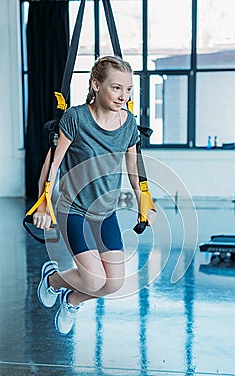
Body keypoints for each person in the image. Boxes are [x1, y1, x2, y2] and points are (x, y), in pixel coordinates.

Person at [33, 55, 156, 336]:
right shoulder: (75, 118)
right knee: (92, 279)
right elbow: (52, 163)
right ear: (96, 84)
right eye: (116, 88)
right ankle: (52, 279)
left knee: (113, 283)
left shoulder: (128, 123)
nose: (123, 96)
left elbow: (133, 166)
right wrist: (43, 205)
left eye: (128, 90)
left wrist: (143, 200)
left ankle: (71, 300)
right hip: (73, 209)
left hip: (105, 211)